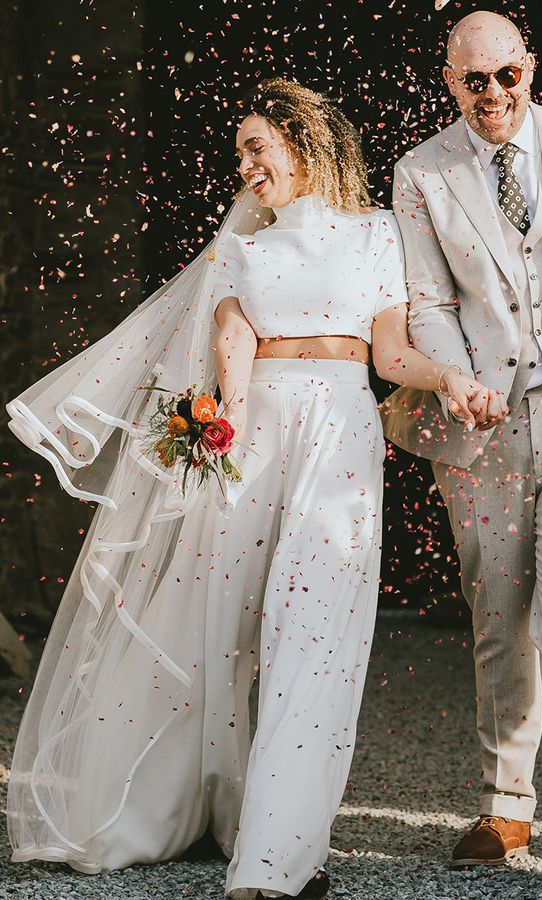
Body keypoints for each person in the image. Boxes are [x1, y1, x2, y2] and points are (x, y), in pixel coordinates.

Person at [6, 78, 496, 899]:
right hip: (254, 446)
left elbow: (388, 357)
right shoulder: (243, 250)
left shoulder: (376, 234)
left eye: (257, 146)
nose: (246, 165)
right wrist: (210, 443)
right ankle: (219, 813)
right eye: (240, 152)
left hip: (339, 438)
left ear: (304, 146)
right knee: (224, 637)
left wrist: (449, 375)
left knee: (316, 643)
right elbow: (230, 369)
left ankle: (273, 862)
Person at [383, 10, 542, 879]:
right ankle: (505, 807)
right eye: (475, 81)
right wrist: (456, 378)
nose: (494, 95)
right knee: (498, 614)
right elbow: (426, 301)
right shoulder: (421, 172)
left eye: (508, 75)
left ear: (530, 67)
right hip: (484, 422)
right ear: (449, 82)